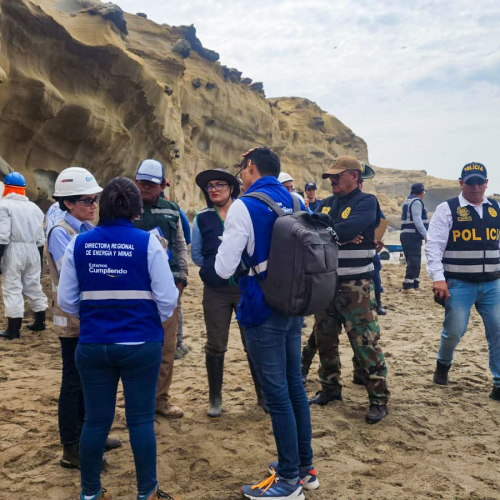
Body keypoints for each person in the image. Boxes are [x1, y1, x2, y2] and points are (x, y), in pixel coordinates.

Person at [58, 177, 179, 500]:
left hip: (94, 344)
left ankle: (91, 493)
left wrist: (96, 318)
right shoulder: (148, 243)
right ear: (137, 211)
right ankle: (147, 492)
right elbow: (167, 299)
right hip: (141, 343)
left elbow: (67, 300)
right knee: (140, 421)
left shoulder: (79, 243)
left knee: (96, 422)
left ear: (103, 207)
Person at [215, 147, 317, 499]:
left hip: (261, 308)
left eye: (242, 168)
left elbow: (223, 268)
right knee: (294, 388)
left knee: (276, 395)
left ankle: (289, 481)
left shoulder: (245, 205)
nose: (241, 174)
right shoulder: (297, 202)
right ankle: (306, 468)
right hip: (294, 305)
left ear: (251, 168)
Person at [47, 167, 121, 469]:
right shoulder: (61, 233)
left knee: (92, 382)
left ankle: (92, 434)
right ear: (67, 202)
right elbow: (75, 276)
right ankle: (72, 448)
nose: (93, 205)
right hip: (73, 322)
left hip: (90, 318)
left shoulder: (88, 231)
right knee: (74, 383)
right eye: (87, 200)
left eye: (95, 199)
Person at [310, 156, 390, 424]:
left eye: (337, 175)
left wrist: (332, 231)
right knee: (325, 339)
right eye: (330, 176)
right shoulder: (327, 203)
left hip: (356, 286)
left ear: (355, 176)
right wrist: (338, 234)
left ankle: (378, 400)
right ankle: (330, 389)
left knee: (365, 343)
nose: (332, 180)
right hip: (325, 283)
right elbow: (310, 228)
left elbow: (350, 227)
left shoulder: (366, 202)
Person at [192, 168, 265, 418]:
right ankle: (215, 399)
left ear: (231, 187)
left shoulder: (244, 211)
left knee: (252, 343)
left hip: (246, 288)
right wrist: (214, 272)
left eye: (219, 184)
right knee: (215, 344)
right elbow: (197, 255)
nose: (214, 189)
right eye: (210, 186)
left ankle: (262, 396)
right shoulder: (201, 218)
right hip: (215, 291)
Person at [426, 162, 500, 400]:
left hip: (492, 284)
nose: (476, 187)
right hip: (459, 283)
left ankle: (499, 383)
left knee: (498, 331)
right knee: (454, 331)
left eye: (480, 182)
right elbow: (434, 247)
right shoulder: (447, 209)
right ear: (461, 183)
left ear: (487, 183)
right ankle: (443, 364)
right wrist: (439, 279)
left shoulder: (495, 209)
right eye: (470, 182)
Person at [133, 159, 188, 419]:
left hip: (167, 289)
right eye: (141, 182)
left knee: (166, 347)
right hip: (134, 291)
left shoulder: (171, 210)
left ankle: (160, 400)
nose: (144, 187)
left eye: (150, 184)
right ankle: (137, 399)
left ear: (162, 185)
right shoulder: (124, 208)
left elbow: (180, 245)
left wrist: (182, 279)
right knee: (136, 346)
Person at [0, 172, 48, 340]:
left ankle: (13, 330)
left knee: (12, 287)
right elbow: (41, 239)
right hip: (33, 250)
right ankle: (40, 322)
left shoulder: (4, 205)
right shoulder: (35, 208)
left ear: (7, 187)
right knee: (33, 285)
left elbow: (2, 235)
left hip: (14, 248)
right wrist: (40, 264)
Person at [400, 182, 428, 293]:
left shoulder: (408, 201)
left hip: (407, 235)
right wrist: (425, 234)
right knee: (414, 260)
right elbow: (417, 220)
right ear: (422, 192)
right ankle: (408, 286)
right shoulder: (416, 202)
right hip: (412, 235)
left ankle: (415, 284)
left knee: (414, 259)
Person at [175, 208, 191, 360]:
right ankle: (177, 344)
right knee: (176, 306)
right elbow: (186, 237)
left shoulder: (174, 210)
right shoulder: (175, 209)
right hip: (172, 269)